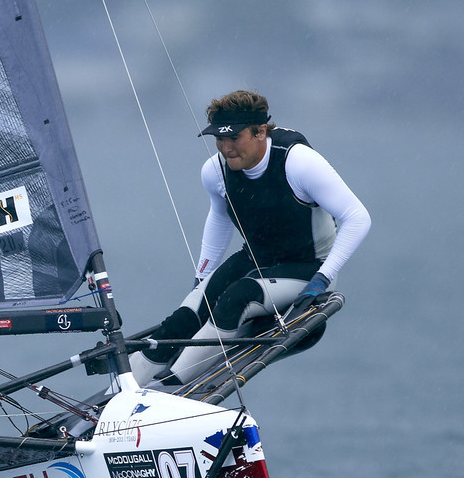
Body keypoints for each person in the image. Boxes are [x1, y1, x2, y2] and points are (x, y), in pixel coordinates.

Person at [131, 89, 371, 387]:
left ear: (260, 131)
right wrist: (202, 277)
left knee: (236, 299)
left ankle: (170, 388)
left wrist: (322, 279)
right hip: (254, 260)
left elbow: (358, 217)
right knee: (183, 318)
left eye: (234, 138)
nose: (226, 148)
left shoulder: (299, 162)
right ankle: (118, 395)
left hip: (307, 269)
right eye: (219, 139)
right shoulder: (214, 170)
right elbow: (219, 218)